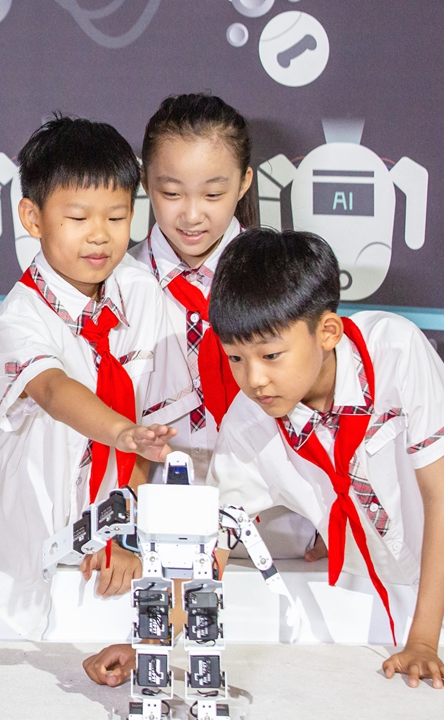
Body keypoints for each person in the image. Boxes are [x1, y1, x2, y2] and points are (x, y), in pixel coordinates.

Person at [85, 228, 444, 689]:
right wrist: (149, 648)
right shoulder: (247, 425)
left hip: (426, 611)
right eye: (235, 358)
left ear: (328, 331)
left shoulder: (396, 351)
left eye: (272, 355)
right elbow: (207, 548)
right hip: (375, 604)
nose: (253, 379)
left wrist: (424, 639)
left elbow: (438, 497)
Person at [0, 116, 195, 640]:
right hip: (26, 525)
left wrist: (123, 528)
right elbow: (52, 389)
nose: (99, 236)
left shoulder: (142, 292)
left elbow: (153, 426)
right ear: (33, 217)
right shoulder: (21, 313)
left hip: (113, 528)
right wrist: (119, 431)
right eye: (78, 217)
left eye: (116, 217)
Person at [127, 92, 320, 560]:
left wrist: (334, 514)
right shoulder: (118, 286)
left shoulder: (283, 279)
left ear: (245, 182)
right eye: (171, 193)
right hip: (148, 508)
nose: (192, 215)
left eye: (213, 194)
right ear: (144, 181)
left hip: (276, 516)